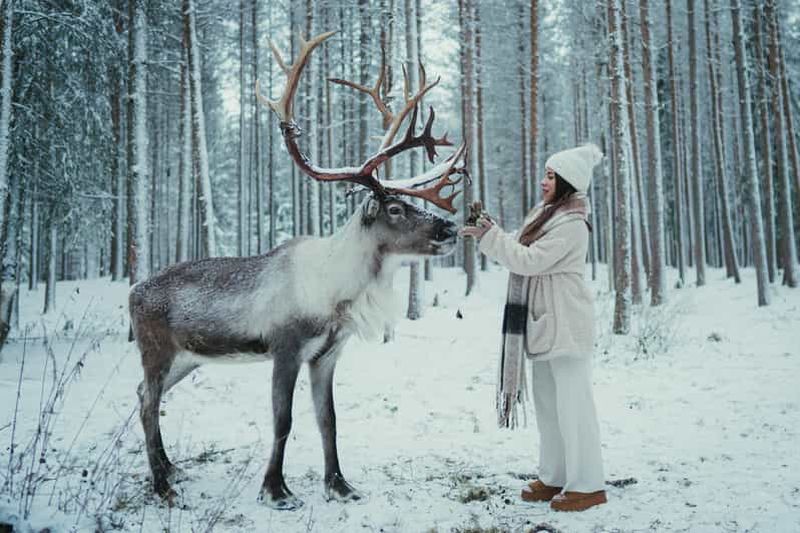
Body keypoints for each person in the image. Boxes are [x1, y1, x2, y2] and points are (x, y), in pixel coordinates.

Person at [459, 144, 606, 512]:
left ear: (568, 181)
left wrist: (490, 238)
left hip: (566, 323)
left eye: (551, 176)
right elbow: (519, 245)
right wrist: (489, 231)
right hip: (544, 323)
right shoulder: (547, 214)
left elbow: (528, 260)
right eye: (545, 174)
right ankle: (555, 475)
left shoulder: (571, 224)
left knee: (574, 408)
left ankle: (588, 484)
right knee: (549, 406)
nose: (543, 182)